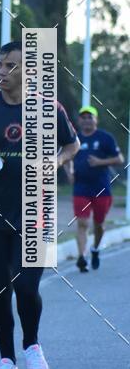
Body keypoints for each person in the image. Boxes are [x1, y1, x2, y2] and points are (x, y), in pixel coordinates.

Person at [0, 41, 79, 369]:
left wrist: (57, 161)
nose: (2, 72)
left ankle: (31, 344)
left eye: (10, 66)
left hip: (37, 211)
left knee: (26, 285)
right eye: (0, 65)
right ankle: (6, 361)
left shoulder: (49, 108)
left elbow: (71, 144)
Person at [65, 105, 124, 272]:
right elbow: (65, 156)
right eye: (83, 117)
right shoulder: (73, 138)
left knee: (99, 224)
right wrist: (69, 172)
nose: (86, 120)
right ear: (79, 120)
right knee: (82, 223)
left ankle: (95, 249)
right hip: (81, 188)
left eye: (90, 117)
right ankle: (82, 257)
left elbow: (119, 158)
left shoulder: (105, 138)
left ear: (96, 120)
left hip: (101, 189)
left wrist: (100, 162)